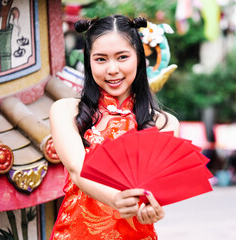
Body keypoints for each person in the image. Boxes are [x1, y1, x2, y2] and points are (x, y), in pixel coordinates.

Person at [49, 15, 179, 239]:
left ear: (138, 58)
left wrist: (152, 209)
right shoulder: (66, 111)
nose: (112, 69)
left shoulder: (164, 123)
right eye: (100, 59)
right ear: (88, 62)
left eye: (122, 57)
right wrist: (116, 200)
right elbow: (77, 171)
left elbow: (154, 191)